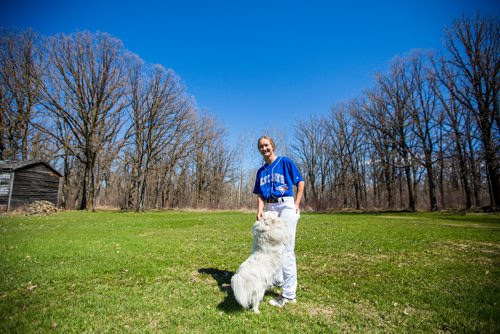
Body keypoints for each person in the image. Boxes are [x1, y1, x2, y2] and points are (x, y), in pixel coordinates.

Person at [253, 135, 305, 308]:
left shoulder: (285, 162)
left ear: (272, 146)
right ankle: (280, 280)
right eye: (261, 146)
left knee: (287, 250)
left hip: (286, 206)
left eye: (266, 145)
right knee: (272, 247)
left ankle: (289, 295)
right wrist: (260, 209)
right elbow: (260, 193)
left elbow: (301, 183)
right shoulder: (261, 171)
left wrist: (297, 203)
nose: (264, 148)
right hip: (270, 209)